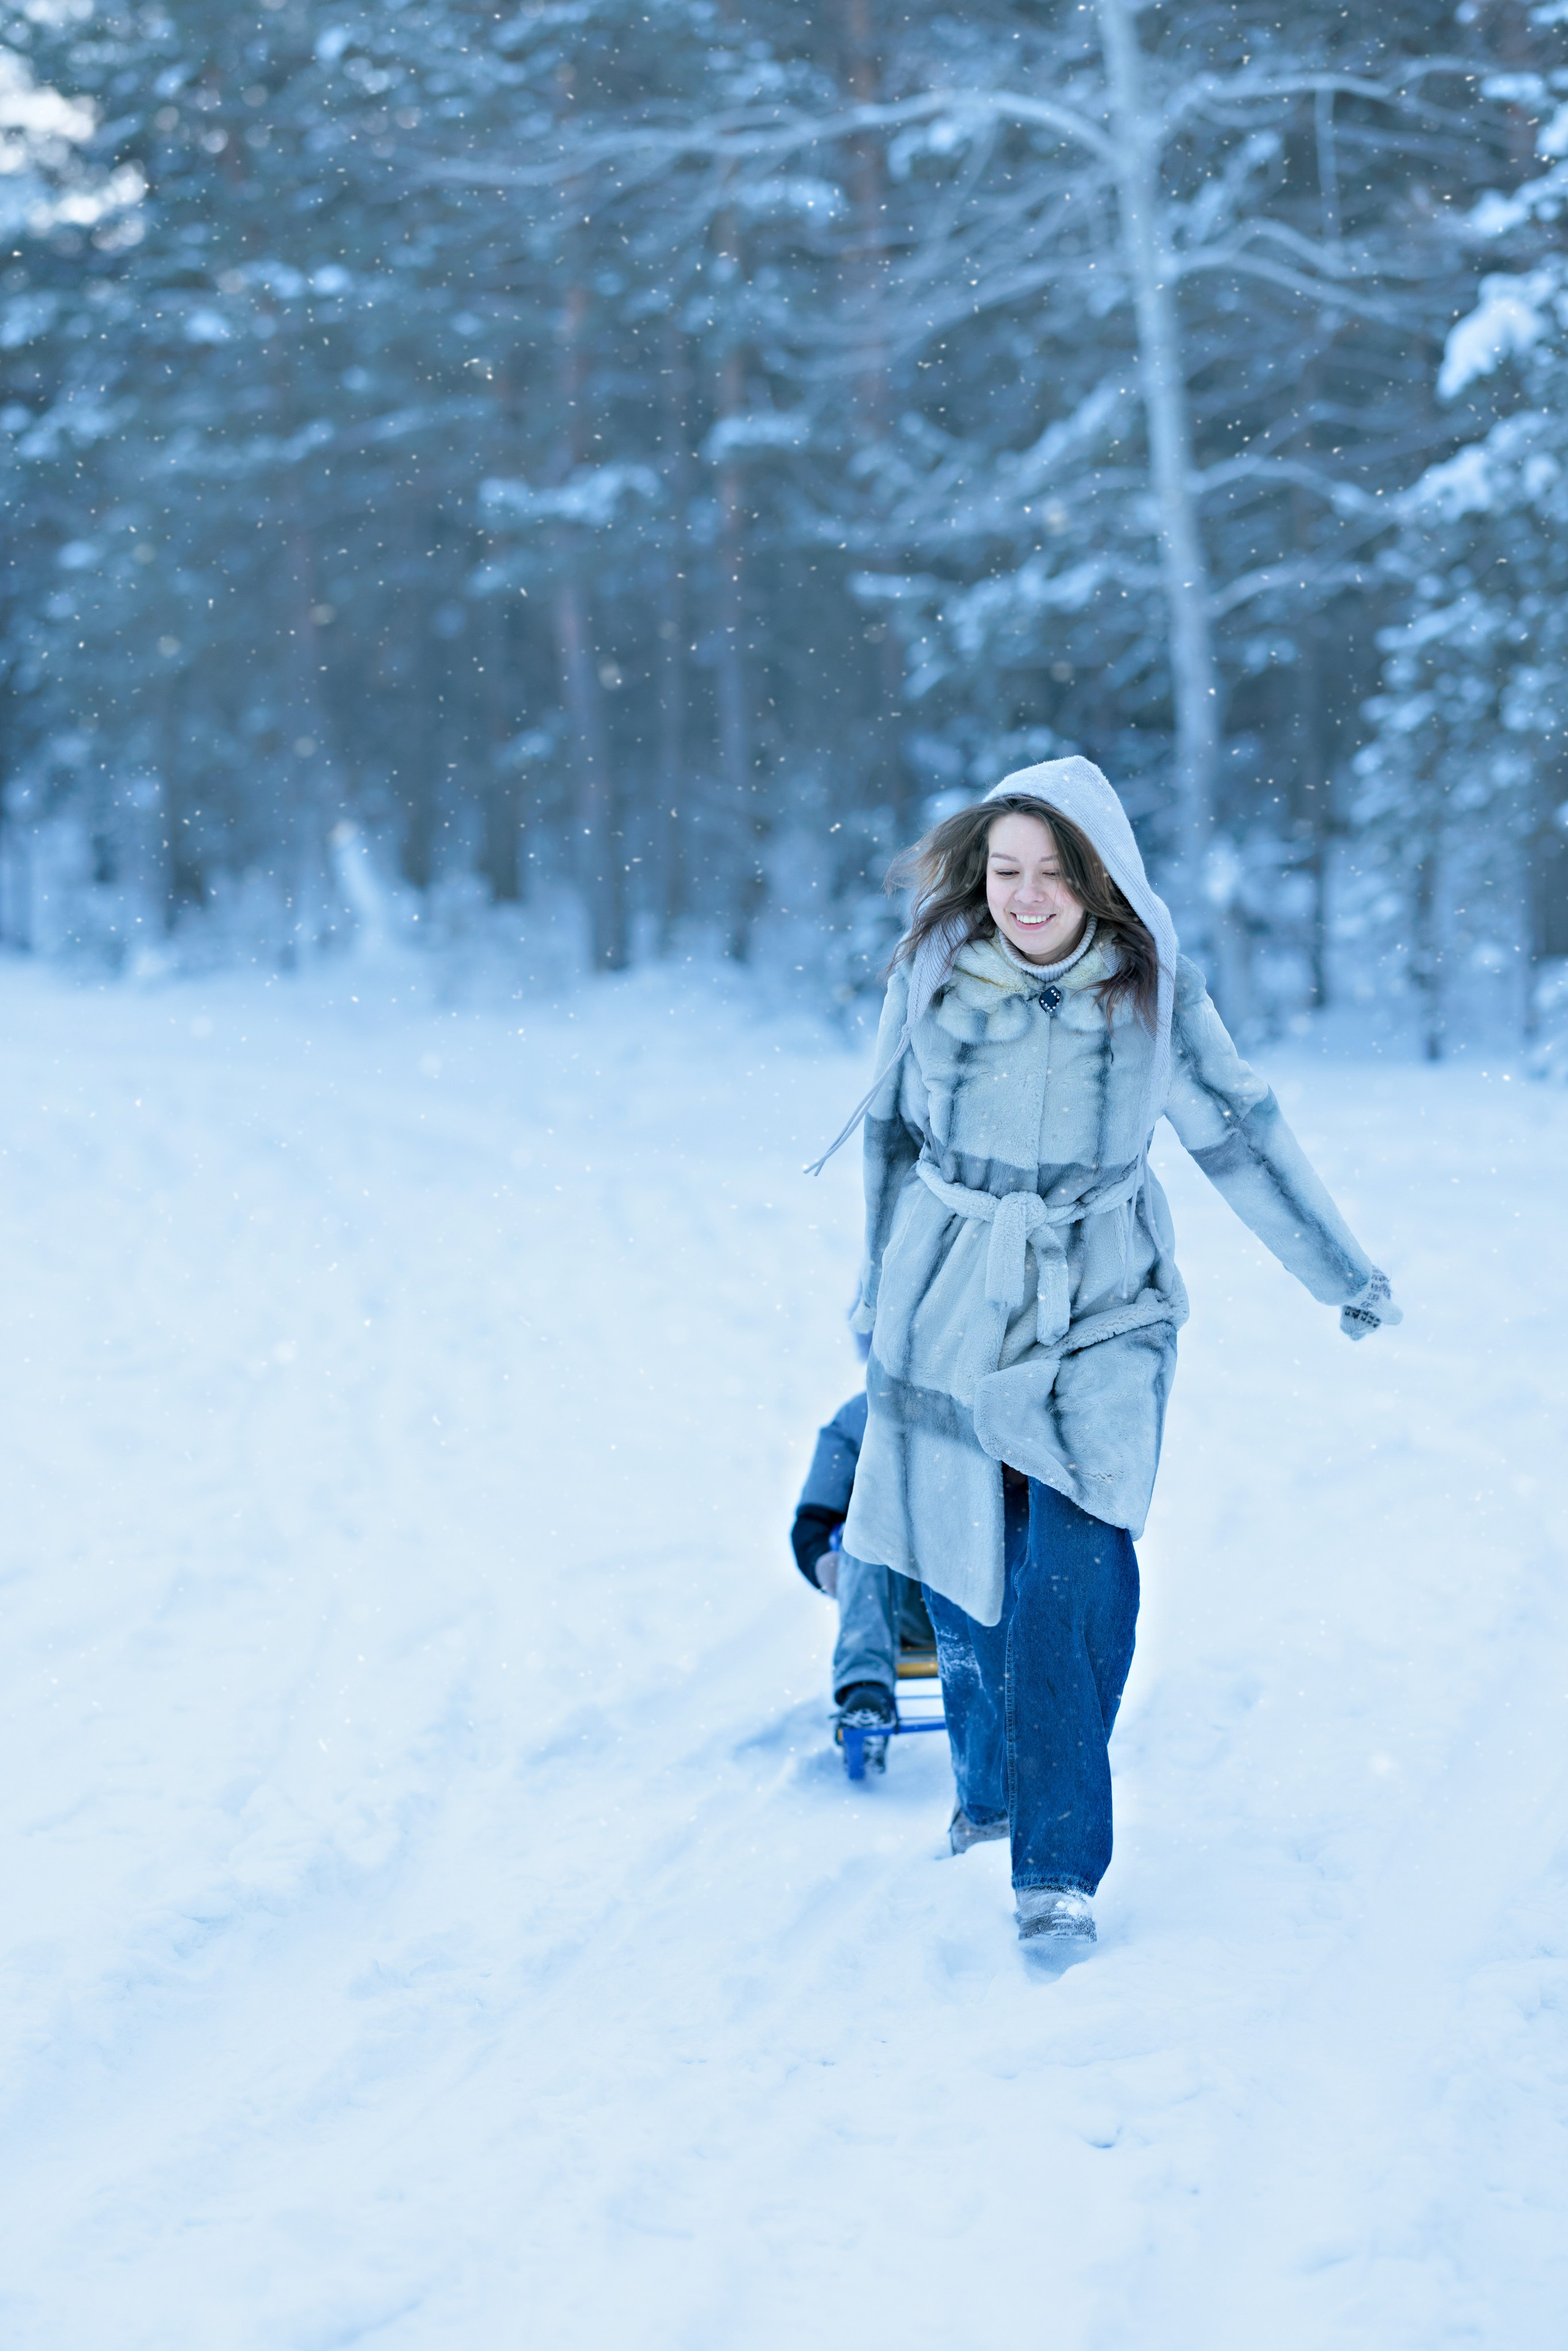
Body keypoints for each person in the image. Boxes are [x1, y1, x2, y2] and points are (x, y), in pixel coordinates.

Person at [813, 758, 1400, 1947]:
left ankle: (1055, 1871)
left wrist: (1340, 1271)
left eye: (1051, 873)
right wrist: (877, 1290)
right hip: (948, 1288)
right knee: (968, 1589)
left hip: (1104, 1299)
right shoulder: (932, 973)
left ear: (1098, 879)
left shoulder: (1149, 987)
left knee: (1072, 1571)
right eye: (1005, 870)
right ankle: (992, 1793)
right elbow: (881, 1134)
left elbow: (1237, 1127)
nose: (1025, 896)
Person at [791, 1390, 937, 1764]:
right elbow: (812, 1523)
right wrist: (825, 1564)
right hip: (904, 1600)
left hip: (987, 1588)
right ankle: (866, 1692)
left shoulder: (982, 1398)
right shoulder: (857, 1419)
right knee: (867, 1526)